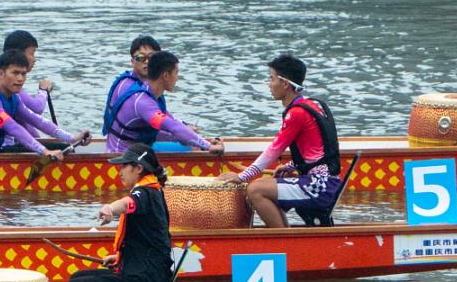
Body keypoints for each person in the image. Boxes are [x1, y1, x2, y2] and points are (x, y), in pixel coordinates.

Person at [62, 151, 172, 282]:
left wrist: (110, 208)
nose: (119, 172)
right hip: (148, 276)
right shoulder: (152, 191)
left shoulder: (144, 192)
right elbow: (149, 241)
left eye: (124, 166)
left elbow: (127, 203)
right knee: (78, 277)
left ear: (138, 168)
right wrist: (120, 257)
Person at [231, 54, 344, 227]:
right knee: (264, 186)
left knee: (255, 189)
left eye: (272, 78)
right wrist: (291, 166)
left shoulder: (296, 114)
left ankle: (283, 243)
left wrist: (242, 177)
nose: (269, 84)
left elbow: (274, 150)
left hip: (319, 186)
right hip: (326, 182)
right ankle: (286, 235)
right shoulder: (311, 105)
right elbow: (316, 152)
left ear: (285, 84)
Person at [105, 50, 218, 159]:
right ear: (165, 76)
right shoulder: (143, 103)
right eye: (176, 73)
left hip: (136, 150)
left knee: (193, 145)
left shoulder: (150, 94)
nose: (177, 78)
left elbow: (169, 124)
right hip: (123, 159)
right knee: (194, 149)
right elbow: (172, 127)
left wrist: (201, 141)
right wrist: (208, 147)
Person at [0, 51, 67, 160]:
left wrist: (72, 138)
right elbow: (12, 128)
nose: (20, 79)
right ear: (1, 74)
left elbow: (36, 120)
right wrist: (45, 151)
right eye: (15, 73)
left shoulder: (14, 97)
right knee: (50, 150)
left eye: (23, 74)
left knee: (65, 147)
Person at [101, 35, 162, 143]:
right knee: (186, 146)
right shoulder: (129, 89)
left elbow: (161, 114)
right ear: (132, 61)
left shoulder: (149, 85)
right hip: (125, 152)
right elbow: (161, 127)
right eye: (141, 58)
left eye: (151, 57)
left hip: (137, 146)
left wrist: (182, 125)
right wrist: (182, 133)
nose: (147, 62)